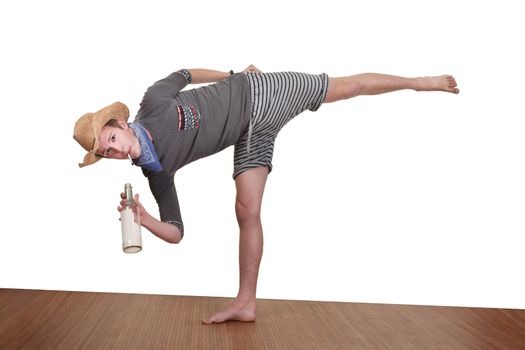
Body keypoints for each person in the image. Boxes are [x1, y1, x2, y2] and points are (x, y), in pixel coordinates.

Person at [73, 64, 459, 324]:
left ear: (121, 124)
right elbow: (176, 232)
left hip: (260, 92)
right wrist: (144, 218)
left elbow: (185, 73)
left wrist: (233, 73)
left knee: (347, 88)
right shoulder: (158, 172)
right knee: (246, 209)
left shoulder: (153, 102)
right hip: (250, 135)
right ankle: (246, 303)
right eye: (107, 152)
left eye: (111, 139)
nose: (116, 150)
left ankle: (420, 82)